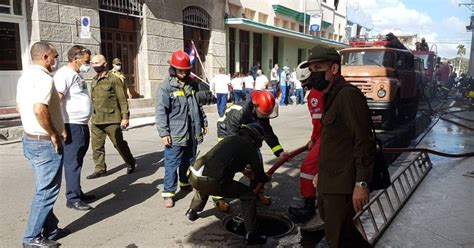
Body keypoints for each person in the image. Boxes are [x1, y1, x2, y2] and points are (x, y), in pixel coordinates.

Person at [301, 46, 374, 248]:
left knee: (337, 238)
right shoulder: (331, 96)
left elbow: (364, 141)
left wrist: (361, 183)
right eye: (312, 69)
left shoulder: (348, 96)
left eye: (319, 67)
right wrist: (320, 173)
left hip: (342, 184)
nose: (314, 74)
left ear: (334, 68)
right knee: (345, 234)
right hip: (329, 179)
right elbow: (333, 140)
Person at [185, 123, 270, 245]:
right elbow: (260, 175)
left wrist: (243, 170)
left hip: (194, 175)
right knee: (248, 196)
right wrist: (266, 177)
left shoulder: (230, 139)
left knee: (204, 184)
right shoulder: (250, 149)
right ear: (256, 138)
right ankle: (251, 234)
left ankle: (192, 211)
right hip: (212, 181)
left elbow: (221, 159)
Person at [17, 41, 63, 247]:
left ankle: (50, 229)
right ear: (45, 57)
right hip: (44, 143)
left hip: (30, 139)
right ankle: (31, 238)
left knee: (43, 188)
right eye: (54, 56)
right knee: (46, 191)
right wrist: (53, 133)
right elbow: (39, 109)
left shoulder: (25, 77)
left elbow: (20, 107)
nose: (56, 60)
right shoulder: (44, 78)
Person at [214, 90, 288, 210]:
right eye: (263, 114)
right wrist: (243, 167)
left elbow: (268, 133)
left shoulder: (261, 112)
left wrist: (280, 152)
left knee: (257, 164)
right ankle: (218, 197)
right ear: (254, 106)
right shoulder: (238, 112)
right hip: (227, 134)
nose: (265, 117)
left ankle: (257, 192)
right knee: (226, 167)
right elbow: (232, 140)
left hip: (247, 136)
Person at [155, 50, 209, 208]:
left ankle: (185, 182)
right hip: (175, 132)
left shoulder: (192, 84)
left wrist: (203, 122)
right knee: (172, 164)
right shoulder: (166, 87)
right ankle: (169, 193)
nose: (183, 73)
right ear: (173, 68)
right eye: (180, 70)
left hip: (192, 131)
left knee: (189, 160)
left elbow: (197, 105)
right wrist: (164, 133)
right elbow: (160, 111)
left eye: (186, 70)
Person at [53, 45, 95, 211]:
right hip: (71, 124)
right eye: (86, 61)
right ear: (75, 58)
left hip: (81, 124)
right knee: (72, 163)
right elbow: (56, 101)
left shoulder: (77, 75)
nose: (88, 64)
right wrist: (61, 126)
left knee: (79, 159)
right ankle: (73, 198)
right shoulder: (64, 75)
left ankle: (77, 191)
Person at [86, 54, 136, 179]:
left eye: (97, 63)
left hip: (112, 119)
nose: (94, 66)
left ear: (104, 64)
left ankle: (130, 162)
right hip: (97, 119)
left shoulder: (113, 79)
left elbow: (122, 99)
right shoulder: (94, 80)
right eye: (92, 63)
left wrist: (125, 117)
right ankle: (100, 168)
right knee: (96, 146)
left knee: (119, 144)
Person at [288, 61, 324, 222]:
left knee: (308, 168)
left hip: (328, 137)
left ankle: (308, 207)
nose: (304, 87)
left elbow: (319, 122)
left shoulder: (316, 95)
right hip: (329, 135)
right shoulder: (323, 90)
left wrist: (314, 139)